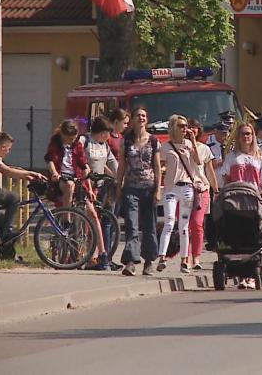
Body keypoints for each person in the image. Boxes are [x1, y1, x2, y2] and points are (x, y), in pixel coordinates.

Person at [45, 120, 108, 270]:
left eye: (74, 138)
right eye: (70, 138)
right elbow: (50, 160)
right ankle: (67, 220)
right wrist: (54, 173)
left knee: (92, 214)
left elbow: (82, 162)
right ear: (63, 134)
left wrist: (87, 171)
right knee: (69, 186)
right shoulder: (55, 142)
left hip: (76, 178)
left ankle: (103, 253)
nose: (73, 141)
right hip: (61, 179)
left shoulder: (76, 144)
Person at [220, 122, 262, 289]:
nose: (246, 137)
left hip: (254, 199)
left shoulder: (260, 156)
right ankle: (240, 274)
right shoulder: (232, 157)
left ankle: (252, 273)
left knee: (255, 230)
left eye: (249, 134)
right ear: (238, 136)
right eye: (243, 134)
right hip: (235, 199)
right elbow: (226, 177)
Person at [116, 107, 162, 276]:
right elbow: (122, 165)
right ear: (133, 119)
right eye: (138, 116)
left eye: (144, 115)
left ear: (146, 119)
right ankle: (130, 261)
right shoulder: (126, 141)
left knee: (149, 227)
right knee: (131, 225)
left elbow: (157, 167)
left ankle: (149, 261)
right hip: (131, 188)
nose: (141, 118)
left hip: (149, 188)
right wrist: (118, 187)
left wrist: (158, 189)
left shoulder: (154, 141)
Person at [157, 115, 205, 273]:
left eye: (186, 126)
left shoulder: (190, 144)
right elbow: (161, 166)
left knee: (184, 225)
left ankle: (185, 260)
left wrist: (194, 144)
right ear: (173, 128)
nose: (185, 129)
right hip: (171, 188)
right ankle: (162, 256)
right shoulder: (165, 147)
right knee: (170, 221)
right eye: (181, 126)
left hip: (186, 187)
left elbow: (198, 162)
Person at [0, 132, 45, 243]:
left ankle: (6, 250)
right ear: (2, 147)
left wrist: (29, 176)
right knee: (14, 198)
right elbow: (7, 171)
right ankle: (8, 232)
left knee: (0, 223)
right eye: (8, 149)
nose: (8, 152)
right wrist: (32, 173)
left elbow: (12, 169)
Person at [80, 116, 119, 269]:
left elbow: (111, 163)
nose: (109, 136)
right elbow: (78, 158)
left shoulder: (105, 146)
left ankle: (94, 257)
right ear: (103, 132)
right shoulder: (85, 141)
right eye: (108, 133)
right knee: (88, 222)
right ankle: (88, 256)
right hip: (84, 186)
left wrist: (121, 178)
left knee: (94, 223)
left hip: (100, 187)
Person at [187, 118, 217, 270]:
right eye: (188, 128)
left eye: (194, 128)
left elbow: (208, 170)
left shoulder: (204, 148)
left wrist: (215, 189)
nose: (192, 130)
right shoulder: (180, 147)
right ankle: (184, 258)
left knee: (197, 224)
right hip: (183, 188)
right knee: (184, 225)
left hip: (201, 189)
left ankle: (196, 257)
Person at [206, 122, 230, 187]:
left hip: (228, 183)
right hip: (213, 184)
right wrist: (226, 160)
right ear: (216, 133)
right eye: (223, 133)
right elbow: (212, 164)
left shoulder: (231, 145)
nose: (225, 136)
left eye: (227, 133)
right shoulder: (208, 145)